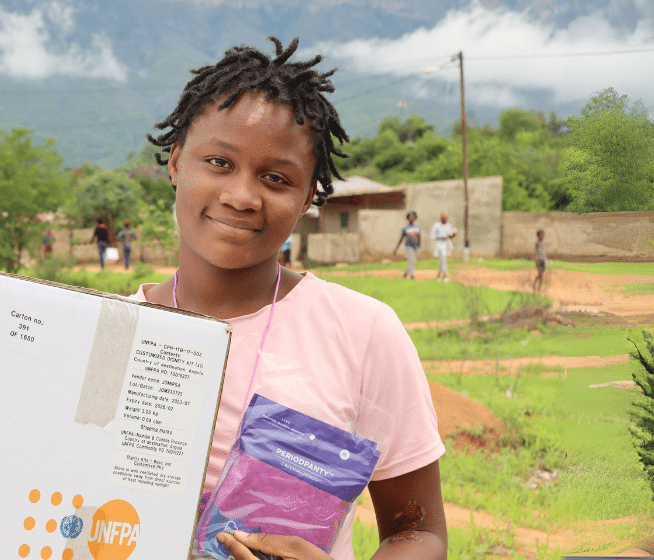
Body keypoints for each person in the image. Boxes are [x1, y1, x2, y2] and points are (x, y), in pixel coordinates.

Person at [132, 37, 446, 560]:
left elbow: (418, 533)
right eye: (218, 162)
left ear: (306, 198)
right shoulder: (112, 332)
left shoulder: (362, 332)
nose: (241, 196)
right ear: (175, 162)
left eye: (275, 178)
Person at [393, 211, 421, 280]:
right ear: (408, 218)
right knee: (411, 260)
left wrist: (419, 245)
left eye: (413, 217)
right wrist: (396, 248)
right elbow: (401, 238)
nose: (411, 218)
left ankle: (405, 274)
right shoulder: (405, 228)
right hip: (408, 246)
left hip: (416, 246)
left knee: (413, 261)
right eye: (410, 217)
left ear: (415, 218)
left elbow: (419, 237)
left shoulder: (417, 228)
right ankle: (412, 275)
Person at [430, 213, 456, 282]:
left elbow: (450, 235)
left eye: (446, 217)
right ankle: (444, 275)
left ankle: (439, 275)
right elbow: (432, 235)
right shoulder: (436, 225)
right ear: (440, 218)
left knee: (443, 258)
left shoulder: (449, 225)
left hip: (446, 243)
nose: (445, 219)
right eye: (443, 217)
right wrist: (438, 237)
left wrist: (454, 234)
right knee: (443, 258)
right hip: (439, 243)